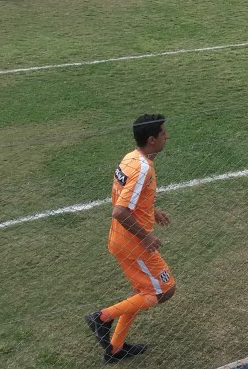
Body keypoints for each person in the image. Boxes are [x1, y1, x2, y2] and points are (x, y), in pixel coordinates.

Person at [85, 114, 176, 364]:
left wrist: (152, 212)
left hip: (119, 238)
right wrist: (146, 236)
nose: (166, 136)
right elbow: (119, 210)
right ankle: (102, 317)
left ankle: (115, 348)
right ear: (151, 139)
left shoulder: (131, 158)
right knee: (165, 289)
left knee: (142, 290)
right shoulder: (143, 168)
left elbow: (126, 199)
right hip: (132, 242)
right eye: (163, 133)